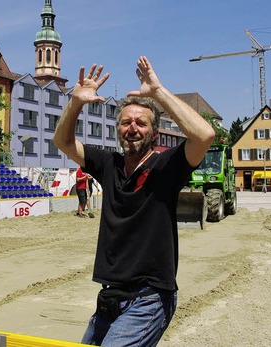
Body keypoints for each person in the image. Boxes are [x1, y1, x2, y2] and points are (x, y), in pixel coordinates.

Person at [53, 56, 215, 346]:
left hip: (149, 299)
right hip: (110, 297)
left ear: (153, 132)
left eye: (141, 123)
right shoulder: (108, 164)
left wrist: (157, 92)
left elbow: (204, 135)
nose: (133, 128)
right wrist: (75, 102)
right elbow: (63, 142)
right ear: (117, 129)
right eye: (126, 122)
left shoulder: (167, 166)